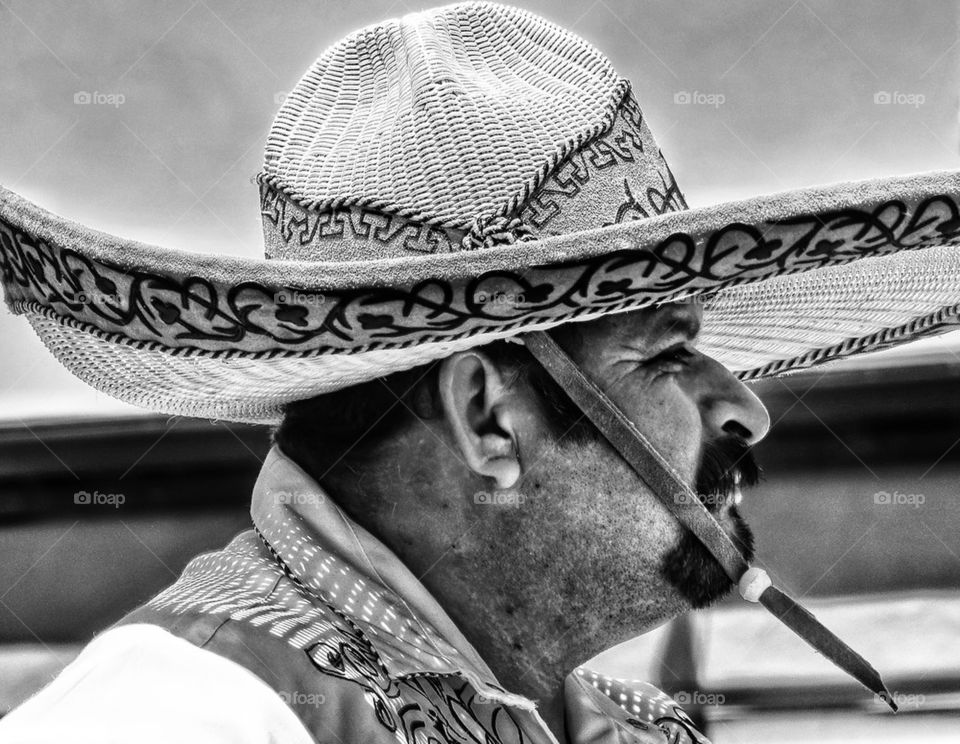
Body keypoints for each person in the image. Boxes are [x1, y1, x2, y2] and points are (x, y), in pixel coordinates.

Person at [0, 3, 957, 742]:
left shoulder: (597, 721)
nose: (744, 407)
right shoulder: (181, 715)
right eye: (666, 354)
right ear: (487, 417)